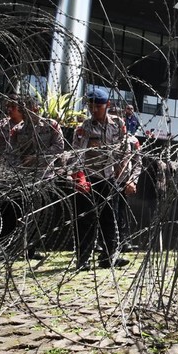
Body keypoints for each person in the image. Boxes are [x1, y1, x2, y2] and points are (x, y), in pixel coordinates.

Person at [71, 87, 136, 270]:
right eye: (91, 106)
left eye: (98, 107)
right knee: (85, 220)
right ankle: (83, 260)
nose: (93, 110)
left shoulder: (118, 124)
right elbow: (78, 155)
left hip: (109, 178)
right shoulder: (84, 127)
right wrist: (80, 178)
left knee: (110, 219)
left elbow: (126, 149)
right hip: (90, 179)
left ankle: (109, 257)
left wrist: (123, 173)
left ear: (106, 105)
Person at [9, 95, 65, 260]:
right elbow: (11, 153)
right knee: (27, 212)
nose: (24, 113)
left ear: (36, 109)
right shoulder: (17, 130)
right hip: (24, 177)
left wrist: (37, 157)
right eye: (21, 110)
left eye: (26, 109)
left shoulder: (51, 126)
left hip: (44, 176)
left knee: (39, 213)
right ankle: (23, 247)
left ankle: (29, 248)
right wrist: (18, 167)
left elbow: (58, 148)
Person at [115, 132, 142, 251]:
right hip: (103, 179)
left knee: (120, 211)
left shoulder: (132, 140)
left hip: (123, 181)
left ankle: (122, 241)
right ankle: (99, 242)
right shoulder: (102, 135)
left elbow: (138, 163)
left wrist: (133, 180)